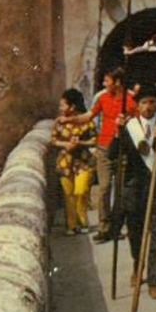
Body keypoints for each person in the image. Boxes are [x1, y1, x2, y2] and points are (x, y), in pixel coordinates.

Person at [109, 84, 156, 297]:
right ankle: (138, 264)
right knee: (135, 233)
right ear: (137, 105)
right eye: (144, 103)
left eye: (152, 102)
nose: (148, 107)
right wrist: (118, 133)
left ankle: (154, 282)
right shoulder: (130, 127)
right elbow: (112, 154)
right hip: (134, 189)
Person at [77, 67, 136, 242]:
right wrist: (69, 119)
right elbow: (88, 116)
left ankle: (116, 227)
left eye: (107, 81)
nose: (104, 84)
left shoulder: (131, 101)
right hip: (104, 148)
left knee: (120, 192)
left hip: (122, 149)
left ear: (117, 82)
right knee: (103, 189)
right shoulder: (103, 98)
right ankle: (104, 226)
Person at [51, 88, 97, 234]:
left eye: (63, 105)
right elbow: (53, 140)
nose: (61, 108)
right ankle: (72, 225)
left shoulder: (86, 121)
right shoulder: (59, 122)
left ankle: (83, 221)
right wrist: (65, 144)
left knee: (81, 191)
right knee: (68, 195)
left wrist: (81, 144)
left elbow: (95, 140)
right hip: (66, 161)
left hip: (83, 161)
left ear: (72, 106)